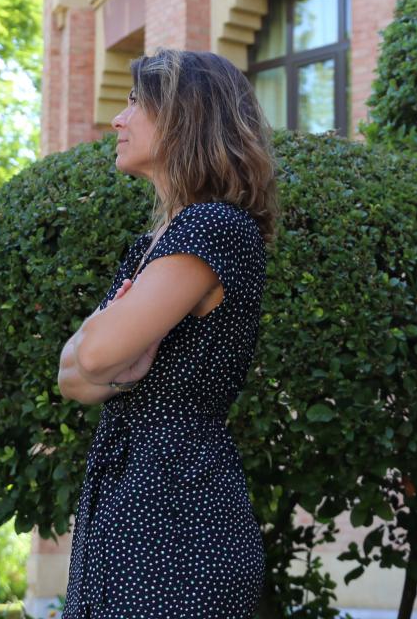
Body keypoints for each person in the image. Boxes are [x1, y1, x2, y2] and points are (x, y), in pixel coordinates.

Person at [57, 48, 278, 618]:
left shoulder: (215, 227)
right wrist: (105, 358)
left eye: (136, 103)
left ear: (186, 116)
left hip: (177, 511)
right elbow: (71, 377)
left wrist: (105, 355)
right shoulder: (155, 242)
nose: (118, 119)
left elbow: (98, 354)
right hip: (130, 497)